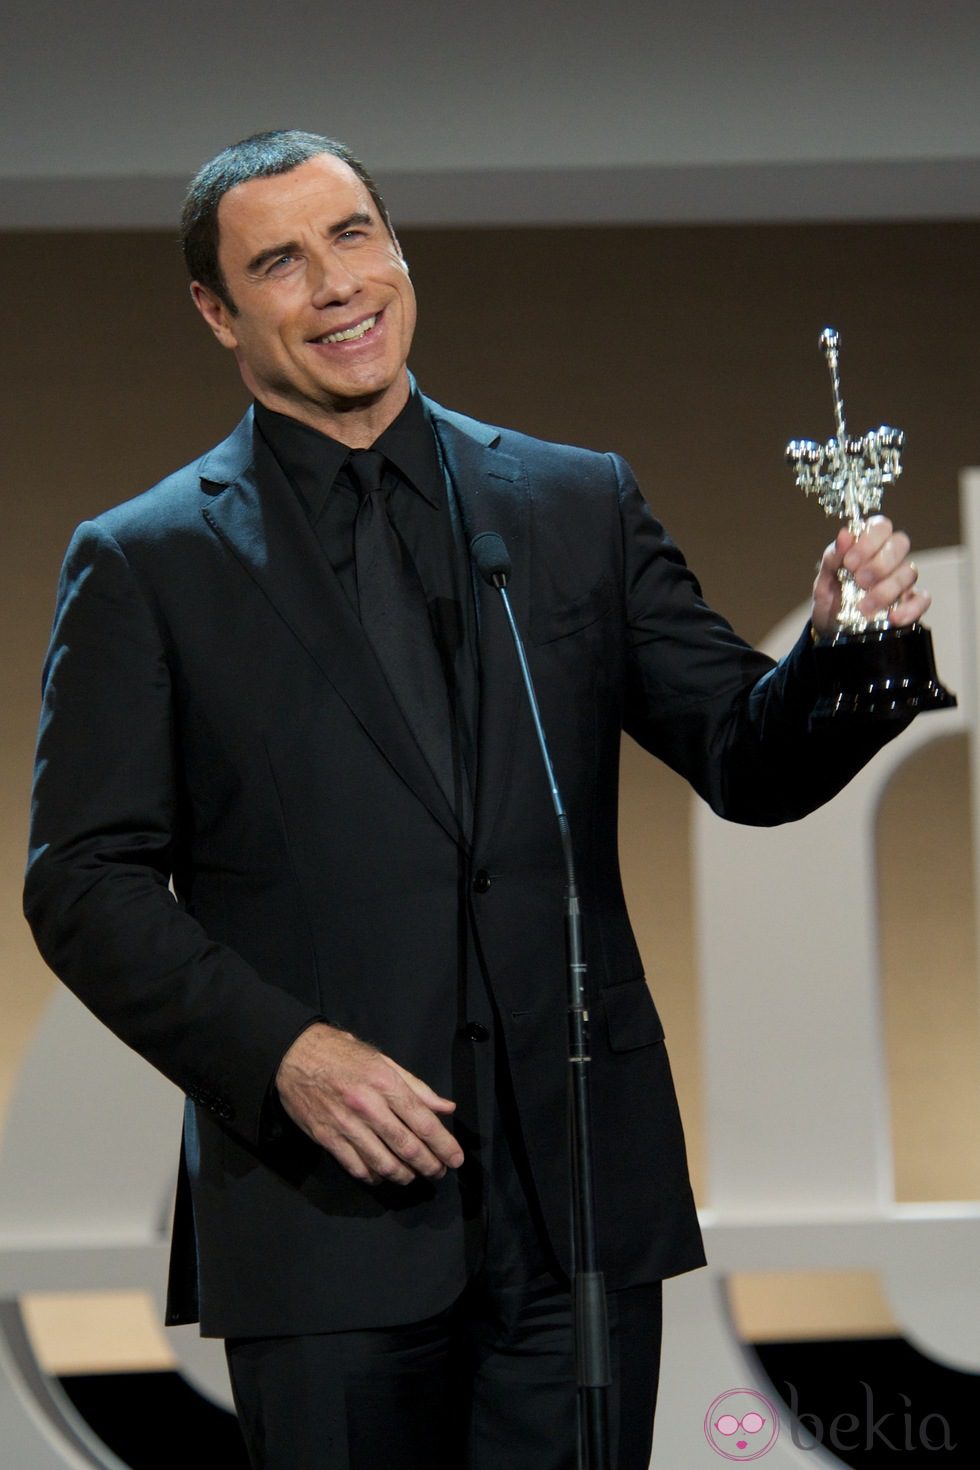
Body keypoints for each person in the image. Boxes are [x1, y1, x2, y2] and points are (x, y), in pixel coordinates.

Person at [24, 131, 927, 1470]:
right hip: (330, 1218)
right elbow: (81, 881)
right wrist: (282, 1052)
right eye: (279, 261)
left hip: (574, 1203)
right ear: (217, 311)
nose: (335, 286)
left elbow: (747, 756)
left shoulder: (572, 503)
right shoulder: (147, 561)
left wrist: (852, 650)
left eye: (354, 237)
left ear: (399, 250)